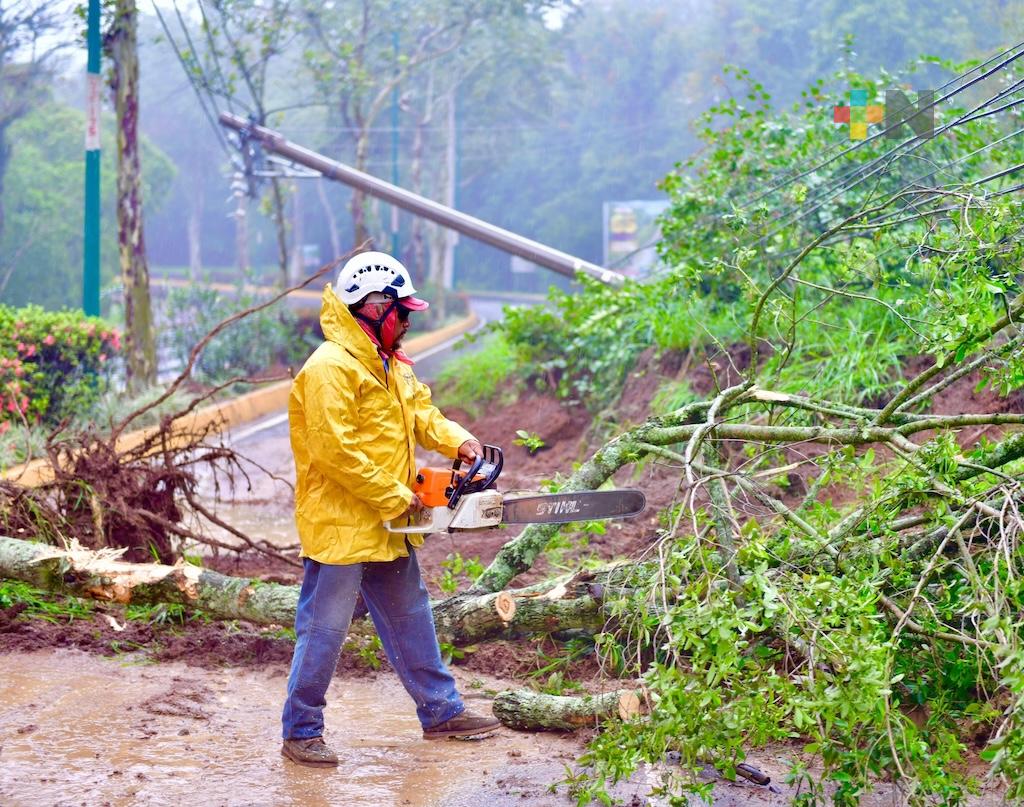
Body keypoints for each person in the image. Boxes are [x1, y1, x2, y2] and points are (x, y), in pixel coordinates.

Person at [280, 251, 501, 768]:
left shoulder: (386, 362)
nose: (407, 322)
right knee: (325, 629)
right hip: (342, 524)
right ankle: (301, 730)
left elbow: (422, 412)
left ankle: (442, 712)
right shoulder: (330, 368)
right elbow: (335, 450)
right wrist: (399, 497)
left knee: (410, 616)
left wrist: (461, 442)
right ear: (376, 307)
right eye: (402, 312)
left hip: (388, 523)